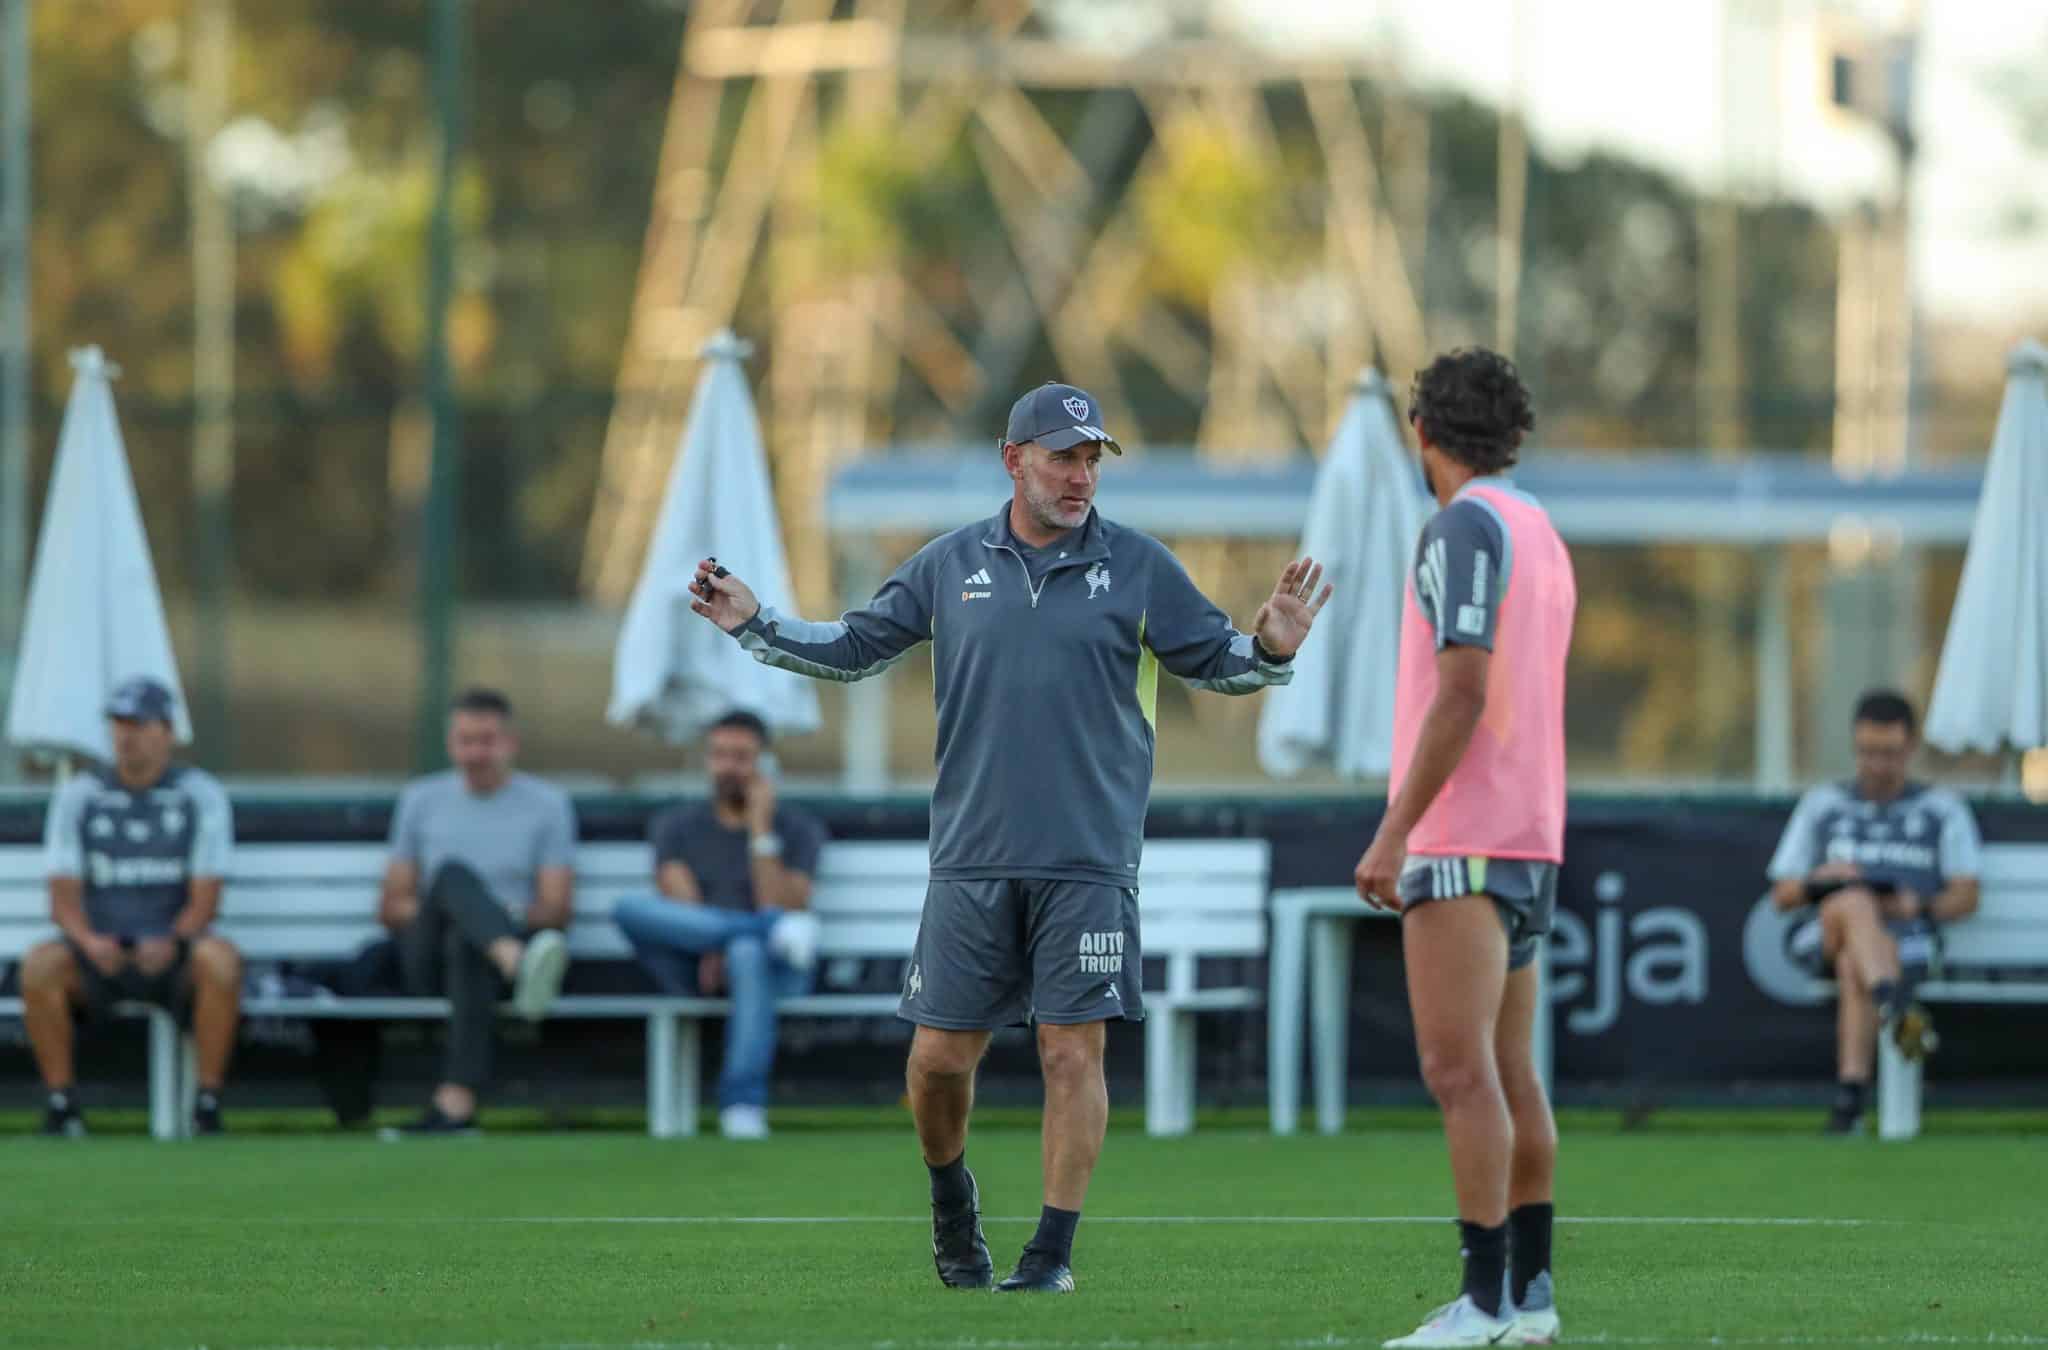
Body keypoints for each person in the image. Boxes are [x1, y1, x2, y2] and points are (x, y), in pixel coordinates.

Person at [689, 381, 1330, 1293]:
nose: (1080, 476)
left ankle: (1051, 1254)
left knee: (1074, 1052)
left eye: (1091, 460)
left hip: (1090, 861)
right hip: (970, 861)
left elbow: (1224, 666)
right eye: (1063, 457)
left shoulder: (1140, 567)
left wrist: (1271, 650)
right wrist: (754, 624)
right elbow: (852, 647)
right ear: (1013, 460)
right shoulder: (950, 564)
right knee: (938, 1062)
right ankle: (953, 1202)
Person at [1354, 349, 1576, 1348]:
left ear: (1422, 435)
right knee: (1509, 1069)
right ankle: (1528, 1298)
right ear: (1513, 434)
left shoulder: (1461, 525)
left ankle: (1481, 1302)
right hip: (1532, 836)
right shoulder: (1540, 529)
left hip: (1464, 834)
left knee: (1458, 1072)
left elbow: (1461, 689)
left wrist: (1393, 831)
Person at [22, 677, 243, 1137]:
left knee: (220, 961)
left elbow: (207, 897)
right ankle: (62, 1105)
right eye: (119, 724)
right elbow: (62, 897)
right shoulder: (79, 795)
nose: (127, 736)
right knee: (40, 966)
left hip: (173, 955)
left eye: (139, 725)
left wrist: (175, 939)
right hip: (96, 954)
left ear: (167, 730)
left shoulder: (199, 794)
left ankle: (207, 1105)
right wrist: (89, 941)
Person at [1766, 689, 1981, 1135]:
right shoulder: (1823, 803)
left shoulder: (1942, 808)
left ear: (1911, 747)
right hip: (1825, 931)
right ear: (1854, 746)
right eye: (1867, 752)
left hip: (1908, 940)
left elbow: (1966, 896)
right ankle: (1897, 1004)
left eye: (1889, 753)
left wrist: (1917, 903)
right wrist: (1823, 880)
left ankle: (1849, 1104)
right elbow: (1782, 894)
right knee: (1851, 898)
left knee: (1854, 963)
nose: (1877, 765)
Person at [613, 710, 827, 1140]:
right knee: (628, 908)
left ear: (765, 764)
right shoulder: (675, 825)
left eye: (742, 756)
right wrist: (719, 945)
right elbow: (679, 899)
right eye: (719, 755)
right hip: (697, 961)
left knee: (747, 953)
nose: (729, 766)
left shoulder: (798, 828)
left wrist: (760, 830)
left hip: (775, 971)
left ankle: (742, 1103)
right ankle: (764, 930)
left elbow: (784, 900)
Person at [375, 688, 576, 1137]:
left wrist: (487, 918)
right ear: (450, 743)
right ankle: (514, 960)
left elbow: (557, 909)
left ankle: (453, 1108)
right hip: (427, 958)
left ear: (510, 744)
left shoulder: (547, 805)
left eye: (485, 741)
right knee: (450, 877)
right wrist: (458, 907)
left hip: (483, 957)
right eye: (465, 741)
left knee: (468, 942)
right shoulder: (420, 800)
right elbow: (391, 907)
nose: (474, 753)